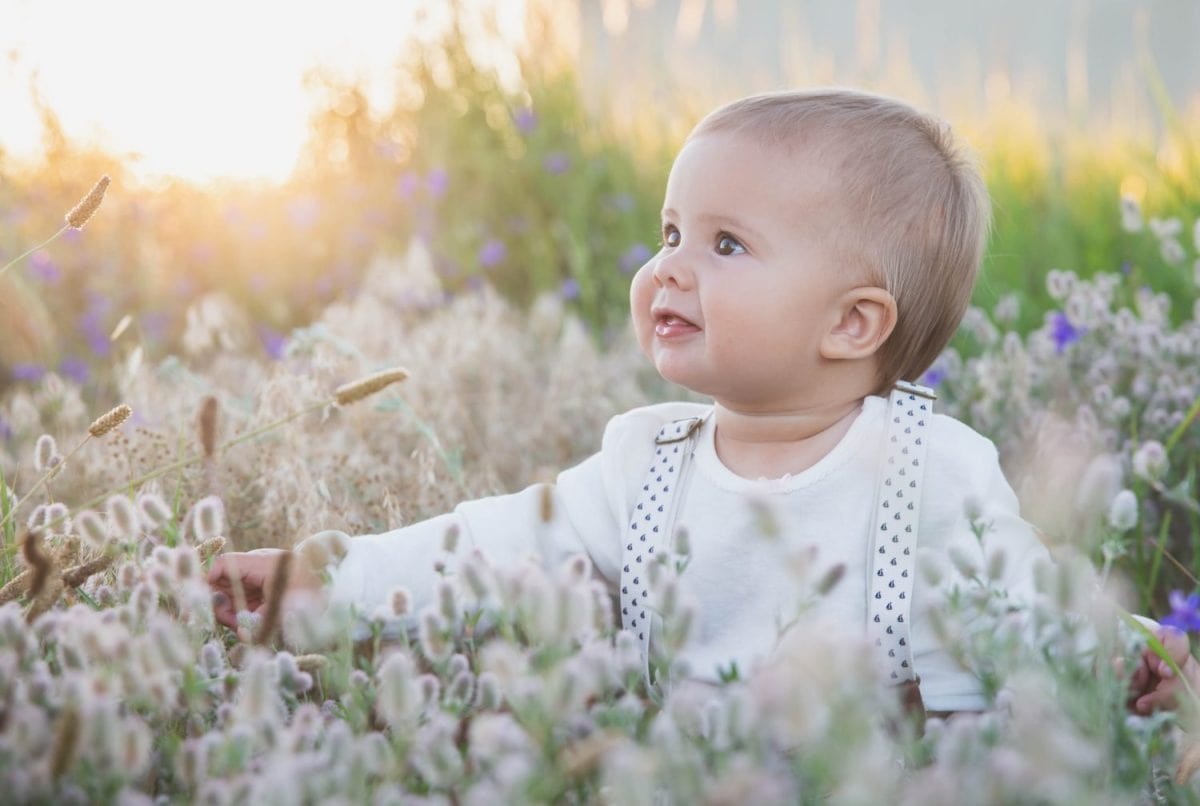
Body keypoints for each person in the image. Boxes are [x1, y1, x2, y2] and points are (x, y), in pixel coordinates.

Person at [207, 89, 1185, 715]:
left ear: (852, 323)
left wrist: (1123, 659)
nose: (668, 267)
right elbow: (495, 542)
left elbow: (1024, 596)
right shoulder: (648, 462)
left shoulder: (930, 465)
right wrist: (323, 578)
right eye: (670, 230)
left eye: (725, 244)